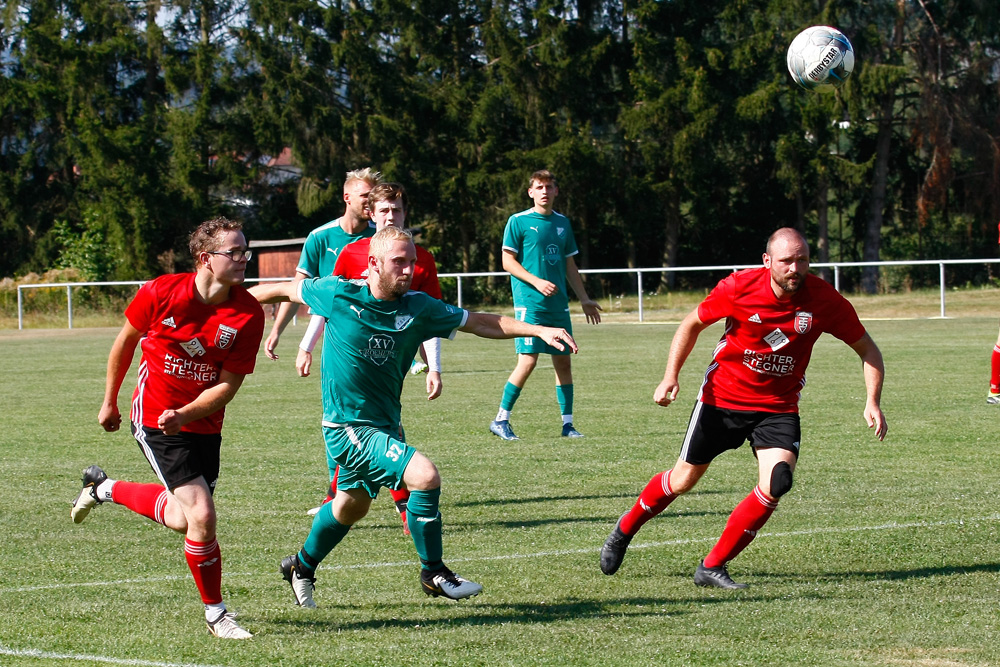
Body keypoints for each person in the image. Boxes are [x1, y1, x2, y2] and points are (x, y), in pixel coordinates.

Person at [249, 226, 578, 608]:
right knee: (424, 475)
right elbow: (282, 289)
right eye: (398, 262)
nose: (407, 270)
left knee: (350, 505)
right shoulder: (337, 294)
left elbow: (481, 322)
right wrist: (227, 306)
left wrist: (538, 329)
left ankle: (300, 567)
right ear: (373, 264)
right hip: (346, 426)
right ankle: (434, 572)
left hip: (385, 424)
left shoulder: (418, 307)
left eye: (411, 262)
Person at [599, 227, 887, 589]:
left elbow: (868, 350)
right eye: (786, 261)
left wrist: (872, 400)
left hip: (777, 407)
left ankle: (712, 566)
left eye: (802, 260)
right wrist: (670, 376)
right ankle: (625, 529)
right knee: (682, 481)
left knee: (778, 480)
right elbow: (691, 324)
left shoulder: (825, 300)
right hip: (721, 400)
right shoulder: (739, 287)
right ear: (768, 261)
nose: (794, 268)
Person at [71, 217, 265, 639]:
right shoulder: (161, 291)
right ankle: (217, 615)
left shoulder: (247, 313)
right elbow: (125, 342)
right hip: (155, 417)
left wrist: (188, 413)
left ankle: (103, 488)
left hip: (201, 423)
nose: (242, 259)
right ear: (205, 259)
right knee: (203, 515)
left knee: (183, 518)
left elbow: (228, 385)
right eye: (233, 252)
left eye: (244, 251)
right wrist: (110, 400)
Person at [297, 182, 443, 529]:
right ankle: (399, 501)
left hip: (392, 359)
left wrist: (434, 367)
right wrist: (306, 346)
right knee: (362, 425)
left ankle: (351, 501)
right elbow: (326, 303)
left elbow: (434, 317)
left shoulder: (420, 259)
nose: (391, 216)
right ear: (371, 214)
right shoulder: (351, 254)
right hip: (352, 360)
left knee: (381, 424)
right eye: (384, 210)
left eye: (398, 210)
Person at [489, 169, 602, 441]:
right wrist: (536, 282)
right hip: (531, 304)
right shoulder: (518, 221)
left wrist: (584, 298)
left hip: (558, 305)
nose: (544, 191)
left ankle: (568, 425)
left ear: (556, 191)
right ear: (530, 192)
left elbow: (569, 264)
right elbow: (507, 262)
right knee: (528, 360)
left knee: (563, 362)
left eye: (549, 187)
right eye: (539, 187)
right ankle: (501, 420)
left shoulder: (562, 223)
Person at [262, 167, 381, 361]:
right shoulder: (320, 237)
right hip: (335, 329)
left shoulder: (381, 236)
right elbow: (296, 287)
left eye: (374, 196)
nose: (371, 201)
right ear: (347, 197)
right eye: (365, 195)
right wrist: (276, 331)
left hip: (373, 325)